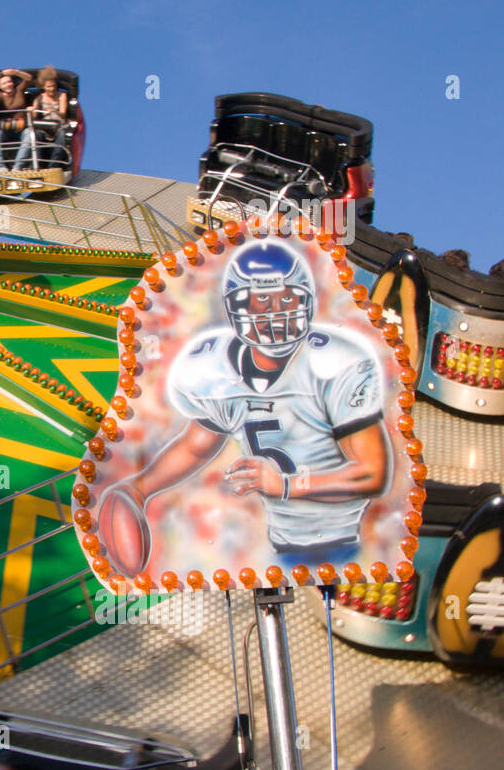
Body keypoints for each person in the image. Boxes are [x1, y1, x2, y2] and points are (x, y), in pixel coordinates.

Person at [101, 240, 392, 569]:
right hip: (282, 547)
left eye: (287, 298)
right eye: (263, 299)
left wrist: (286, 485)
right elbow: (197, 446)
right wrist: (139, 489)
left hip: (345, 548)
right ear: (237, 306)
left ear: (307, 302)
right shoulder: (213, 366)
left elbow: (372, 472)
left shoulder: (336, 361)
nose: (277, 310)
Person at [12, 66, 69, 173]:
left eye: (53, 86)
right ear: (44, 87)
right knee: (35, 134)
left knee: (62, 135)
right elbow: (33, 115)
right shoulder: (39, 98)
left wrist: (53, 111)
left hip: (58, 126)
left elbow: (63, 114)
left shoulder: (62, 96)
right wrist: (32, 110)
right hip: (45, 127)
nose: (51, 89)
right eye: (49, 87)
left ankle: (53, 166)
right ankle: (37, 165)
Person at [0, 68, 33, 176]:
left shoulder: (19, 90)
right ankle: (0, 166)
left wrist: (15, 72)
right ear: (0, 86)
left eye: (9, 82)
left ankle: (18, 166)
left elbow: (29, 78)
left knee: (30, 134)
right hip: (5, 130)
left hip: (20, 129)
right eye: (4, 83)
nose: (8, 85)